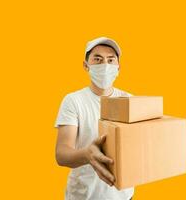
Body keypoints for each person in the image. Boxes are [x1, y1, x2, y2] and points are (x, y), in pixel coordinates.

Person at [54, 37, 134, 200]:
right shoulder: (74, 101)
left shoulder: (130, 101)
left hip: (124, 196)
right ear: (86, 66)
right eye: (97, 59)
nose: (105, 65)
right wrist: (87, 154)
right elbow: (61, 154)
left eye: (110, 60)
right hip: (84, 196)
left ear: (118, 67)